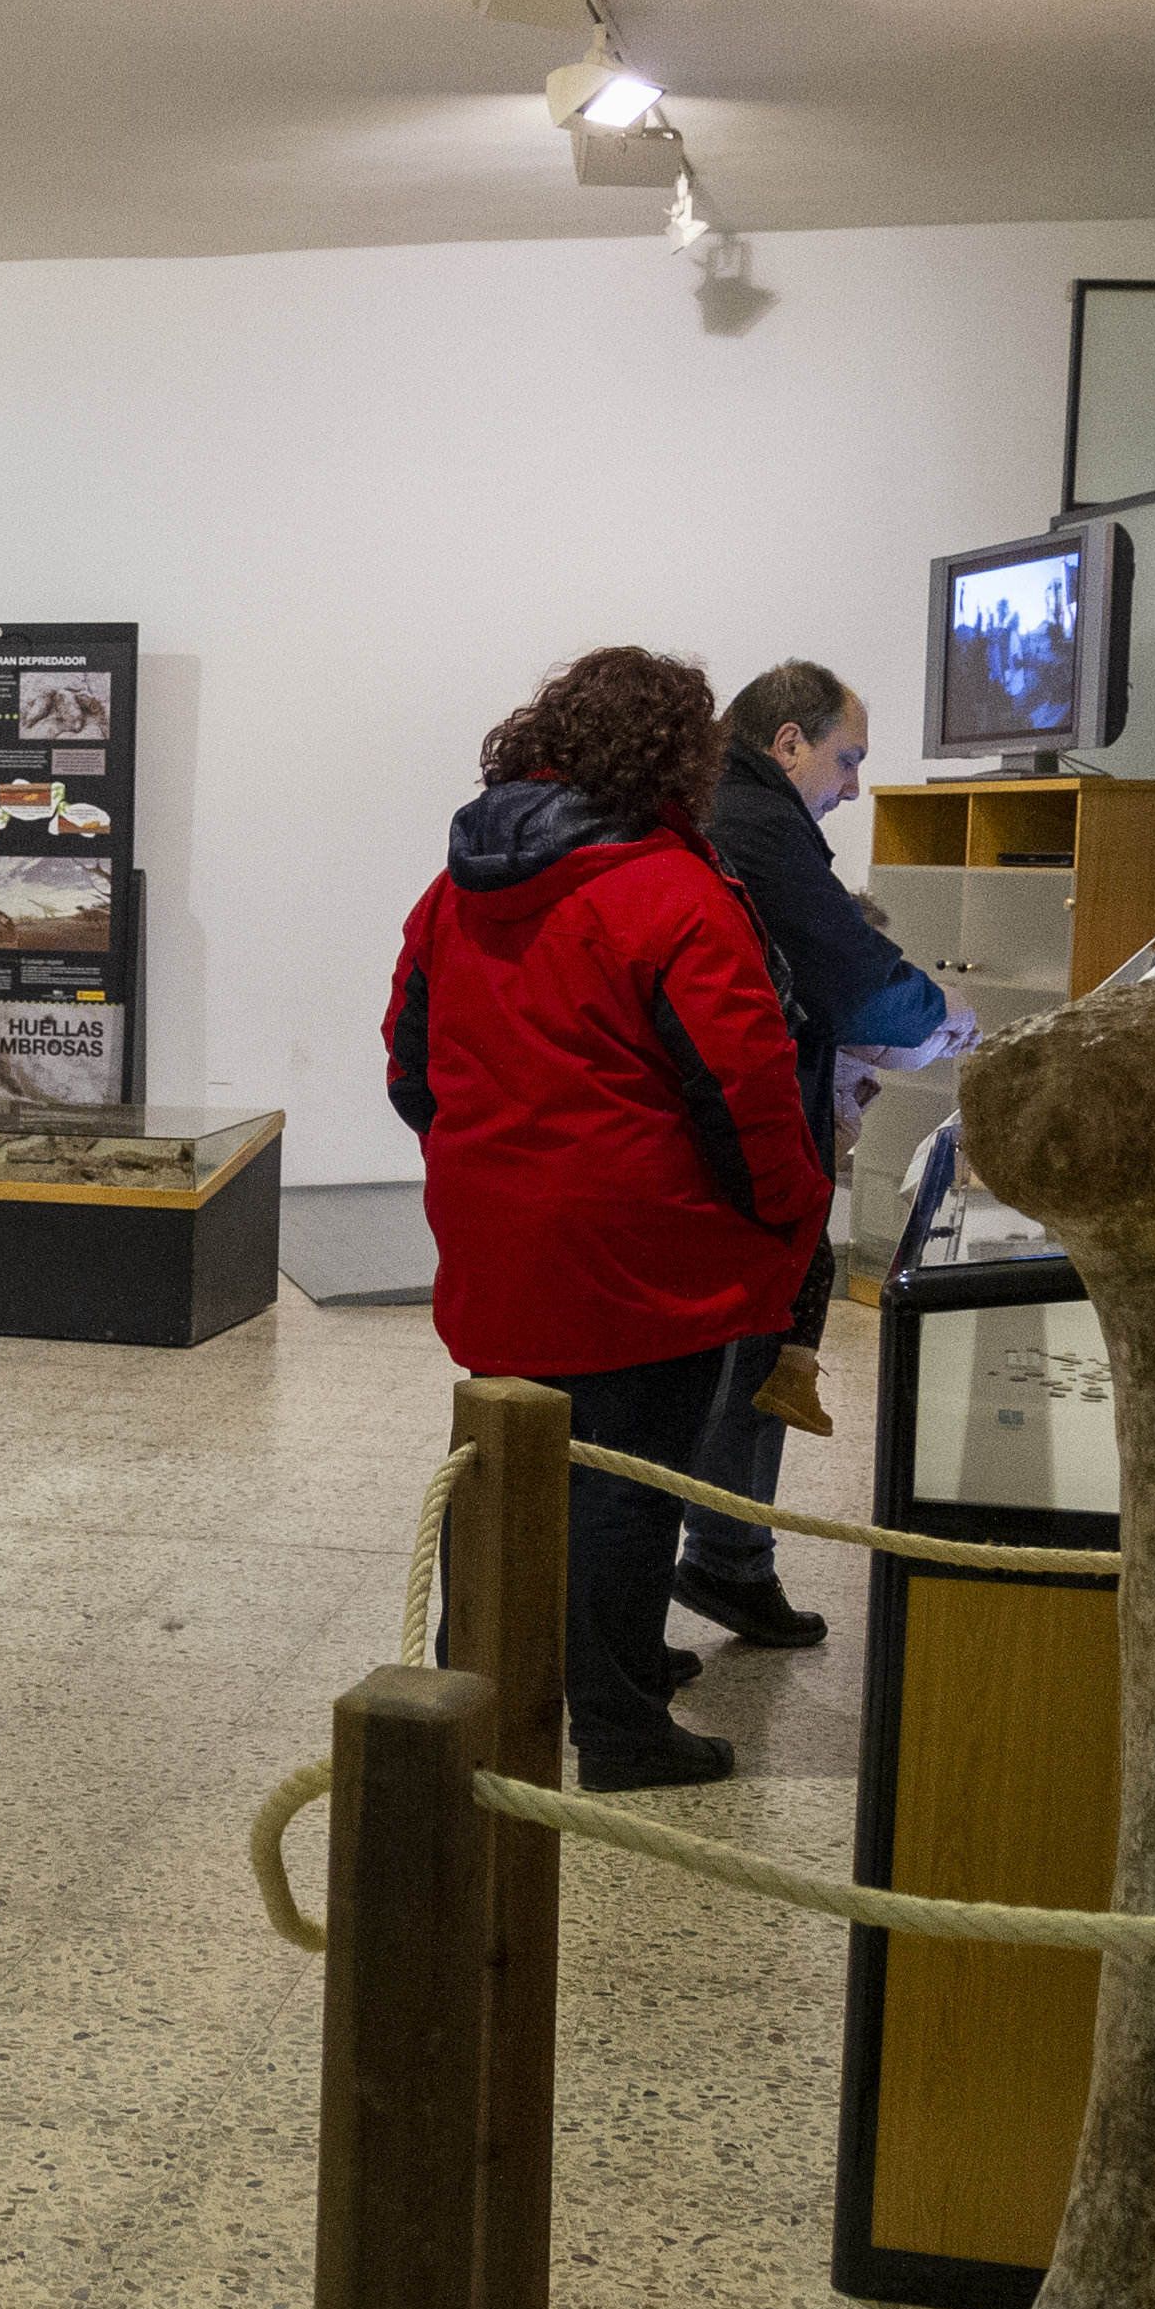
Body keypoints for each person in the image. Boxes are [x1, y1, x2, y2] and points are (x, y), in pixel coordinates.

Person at [384, 646, 830, 1790]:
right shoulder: (674, 893)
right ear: (678, 757)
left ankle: (471, 1694)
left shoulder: (453, 890)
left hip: (495, 1243)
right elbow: (749, 1097)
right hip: (644, 1256)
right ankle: (623, 1730)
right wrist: (793, 1219)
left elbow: (411, 1069)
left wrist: (488, 1167)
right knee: (627, 1491)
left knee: (498, 1483)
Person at [673, 657, 969, 1649]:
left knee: (729, 1364)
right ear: (788, 742)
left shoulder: (715, 814)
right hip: (733, 1149)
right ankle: (718, 1568)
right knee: (741, 1360)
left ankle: (720, 1565)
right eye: (848, 760)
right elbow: (852, 974)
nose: (854, 787)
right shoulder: (755, 825)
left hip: (703, 1142)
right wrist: (944, 1020)